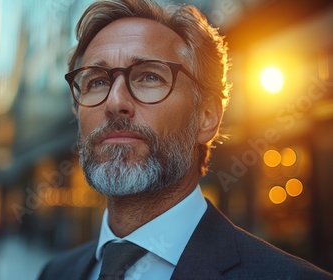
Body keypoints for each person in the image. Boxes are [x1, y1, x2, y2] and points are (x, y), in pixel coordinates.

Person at [38, 0, 333, 279]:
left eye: (149, 77)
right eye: (97, 81)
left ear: (206, 118)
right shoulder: (55, 273)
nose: (115, 102)